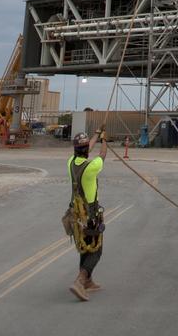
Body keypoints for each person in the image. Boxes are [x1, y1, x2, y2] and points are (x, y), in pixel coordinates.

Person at [67, 128, 107, 301]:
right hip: (90, 215)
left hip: (76, 214)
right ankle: (80, 281)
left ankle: (88, 281)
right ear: (86, 151)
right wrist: (105, 140)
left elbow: (87, 148)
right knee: (96, 250)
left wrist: (97, 134)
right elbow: (102, 155)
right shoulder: (91, 167)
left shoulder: (70, 162)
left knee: (85, 247)